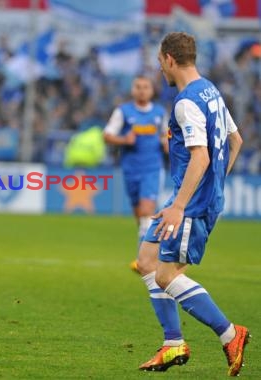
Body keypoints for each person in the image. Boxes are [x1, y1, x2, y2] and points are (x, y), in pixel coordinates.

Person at [136, 32, 248, 376]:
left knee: (167, 276)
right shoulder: (210, 91)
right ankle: (173, 344)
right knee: (146, 260)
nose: (159, 69)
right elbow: (236, 140)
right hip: (195, 197)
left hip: (191, 204)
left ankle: (230, 334)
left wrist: (181, 204)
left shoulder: (186, 102)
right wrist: (213, 186)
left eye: (159, 62)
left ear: (170, 59)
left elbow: (200, 156)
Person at [103, 76, 168, 273]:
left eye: (145, 87)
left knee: (147, 210)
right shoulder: (123, 112)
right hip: (131, 169)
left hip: (152, 168)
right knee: (140, 215)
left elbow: (166, 134)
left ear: (151, 90)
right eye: (138, 87)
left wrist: (166, 141)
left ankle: (144, 261)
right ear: (133, 90)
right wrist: (124, 140)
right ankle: (151, 254)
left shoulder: (159, 112)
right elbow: (107, 135)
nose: (141, 90)